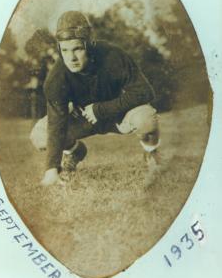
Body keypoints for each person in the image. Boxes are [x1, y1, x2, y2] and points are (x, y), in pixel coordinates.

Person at [30, 11, 160, 186]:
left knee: (146, 118)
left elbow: (145, 92)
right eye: (65, 50)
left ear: (89, 45)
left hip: (118, 116)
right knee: (39, 135)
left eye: (77, 48)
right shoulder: (56, 78)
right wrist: (51, 170)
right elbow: (55, 123)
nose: (72, 58)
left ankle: (150, 151)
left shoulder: (112, 55)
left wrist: (101, 109)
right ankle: (74, 152)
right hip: (84, 120)